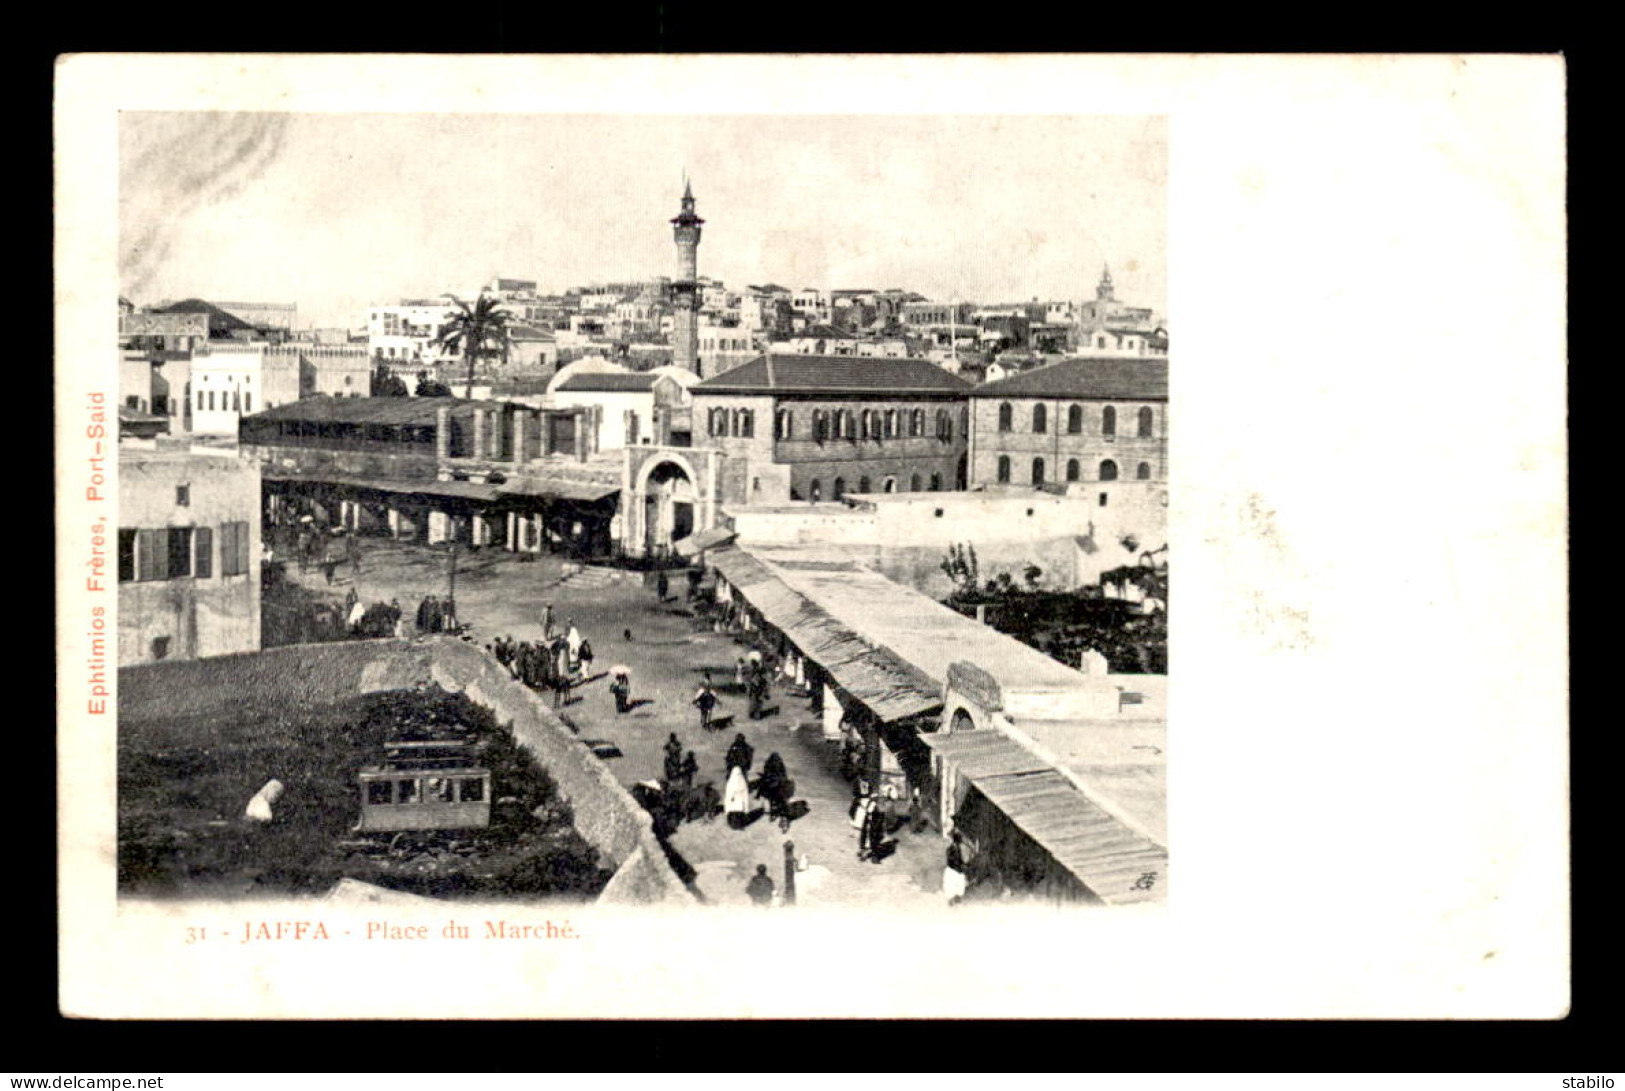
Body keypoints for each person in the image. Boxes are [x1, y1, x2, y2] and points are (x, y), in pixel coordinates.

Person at [943, 831, 969, 905]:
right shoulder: (950, 849)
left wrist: (964, 864)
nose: (962, 840)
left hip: (958, 870)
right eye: (960, 839)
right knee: (951, 888)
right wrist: (960, 867)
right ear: (957, 839)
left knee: (960, 887)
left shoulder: (958, 848)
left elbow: (959, 859)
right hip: (952, 871)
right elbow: (951, 860)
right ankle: (951, 903)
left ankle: (957, 901)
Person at [724, 764, 750, 829]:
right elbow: (746, 797)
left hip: (731, 810)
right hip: (740, 808)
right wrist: (746, 810)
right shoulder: (743, 782)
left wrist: (726, 810)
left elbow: (727, 797)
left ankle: (733, 824)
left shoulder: (730, 783)